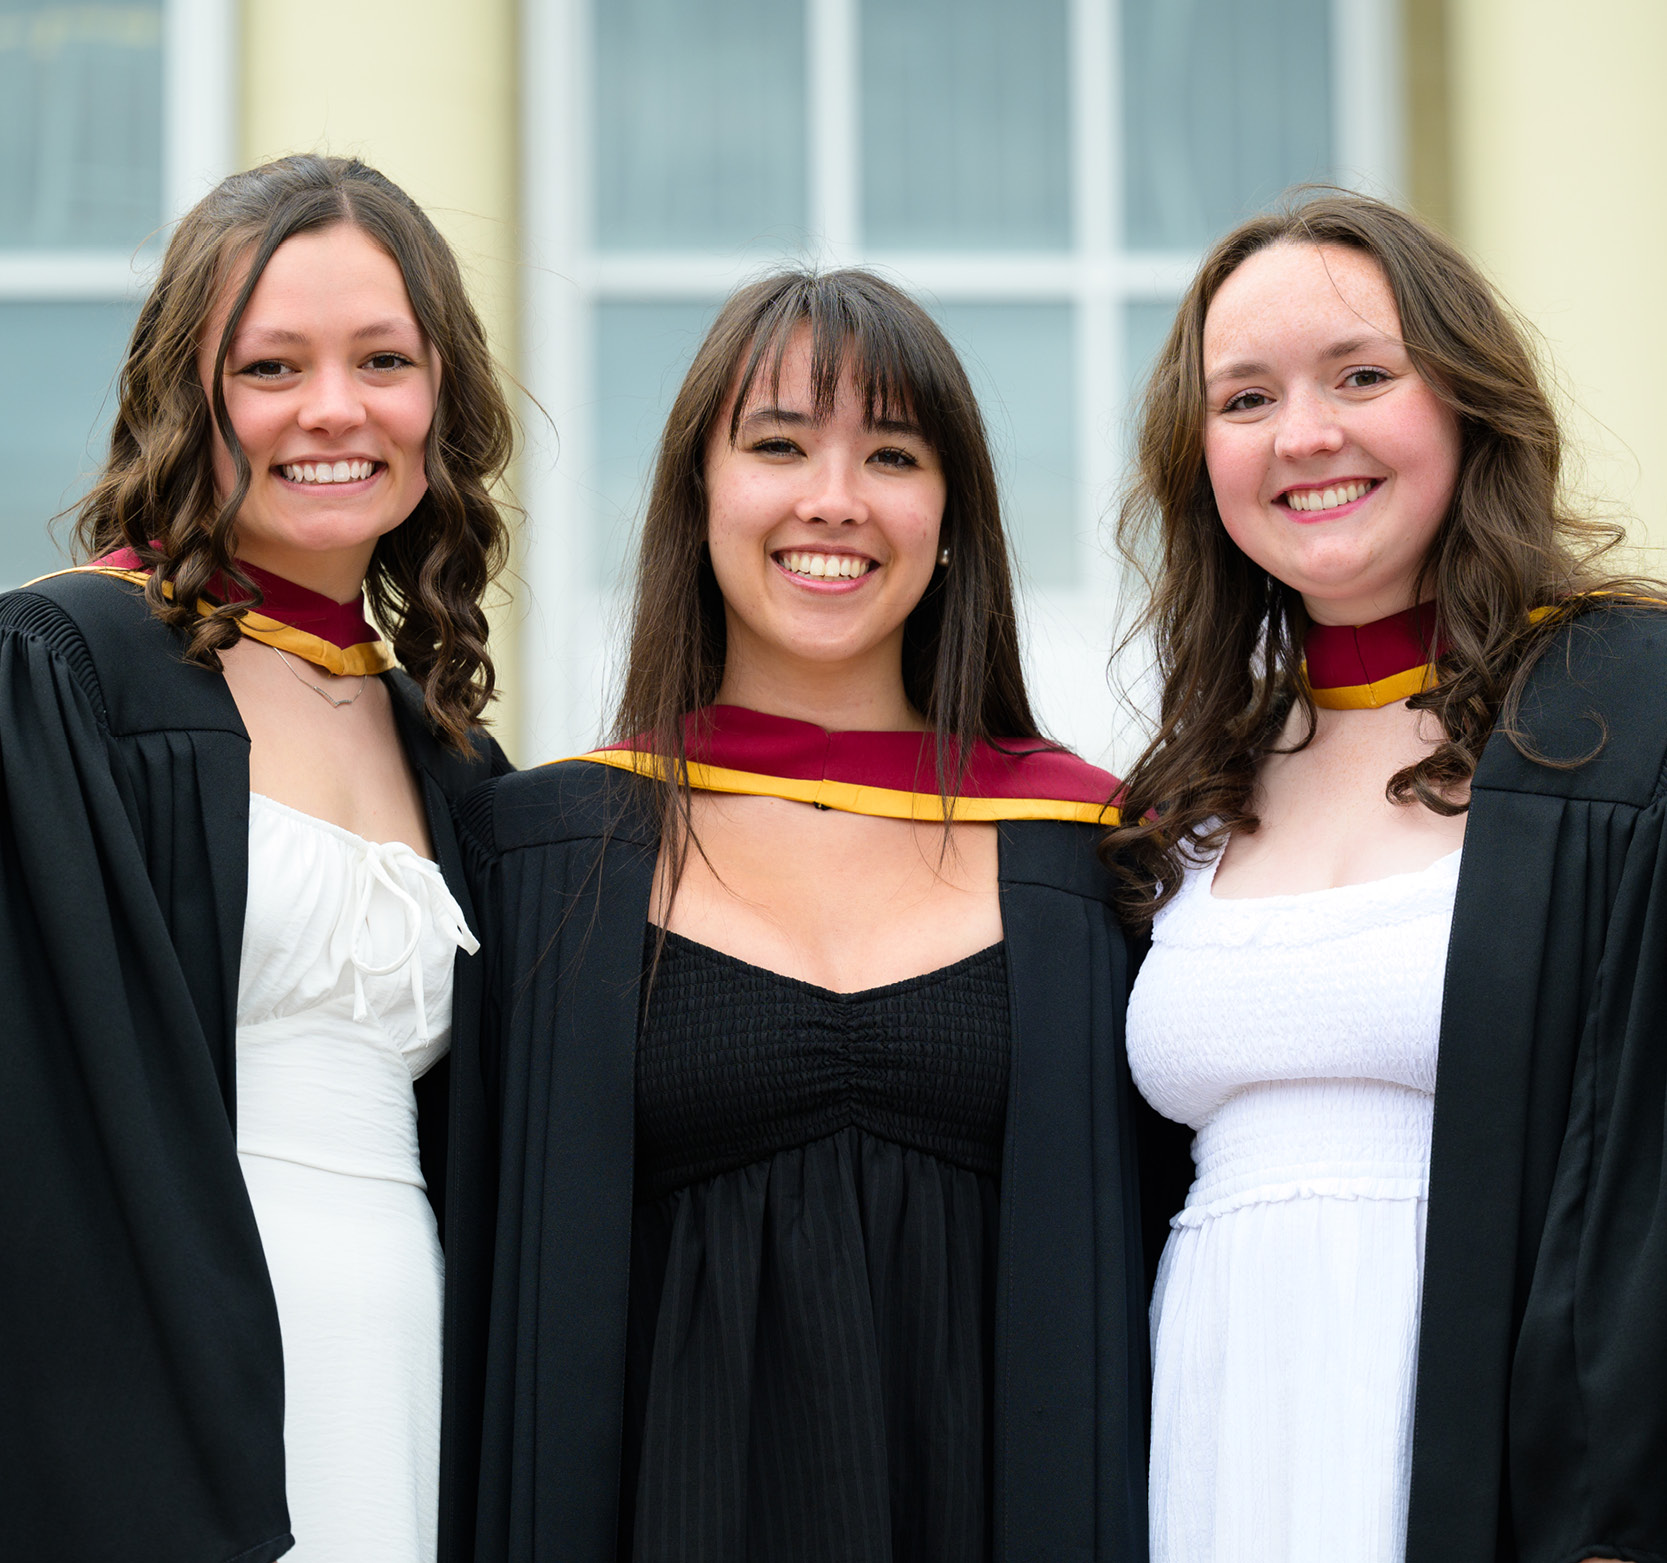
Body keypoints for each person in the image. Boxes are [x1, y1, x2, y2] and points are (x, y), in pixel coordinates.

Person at [450, 269, 1148, 1562]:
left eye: (892, 454)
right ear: (699, 494)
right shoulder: (546, 859)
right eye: (778, 446)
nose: (834, 497)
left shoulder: (1095, 865)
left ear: (952, 516)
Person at [1106, 189, 1665, 1563]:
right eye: (1245, 399)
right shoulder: (1187, 795)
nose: (1304, 435)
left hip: (1504, 1475)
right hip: (1216, 1450)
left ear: (1468, 404)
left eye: (1361, 375)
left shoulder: (1626, 719)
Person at [0, 154, 515, 1563]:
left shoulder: (451, 759)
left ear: (441, 398)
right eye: (270, 366)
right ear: (189, 396)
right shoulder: (65, 671)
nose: (333, 409)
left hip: (403, 1366)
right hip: (144, 1394)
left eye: (383, 361)